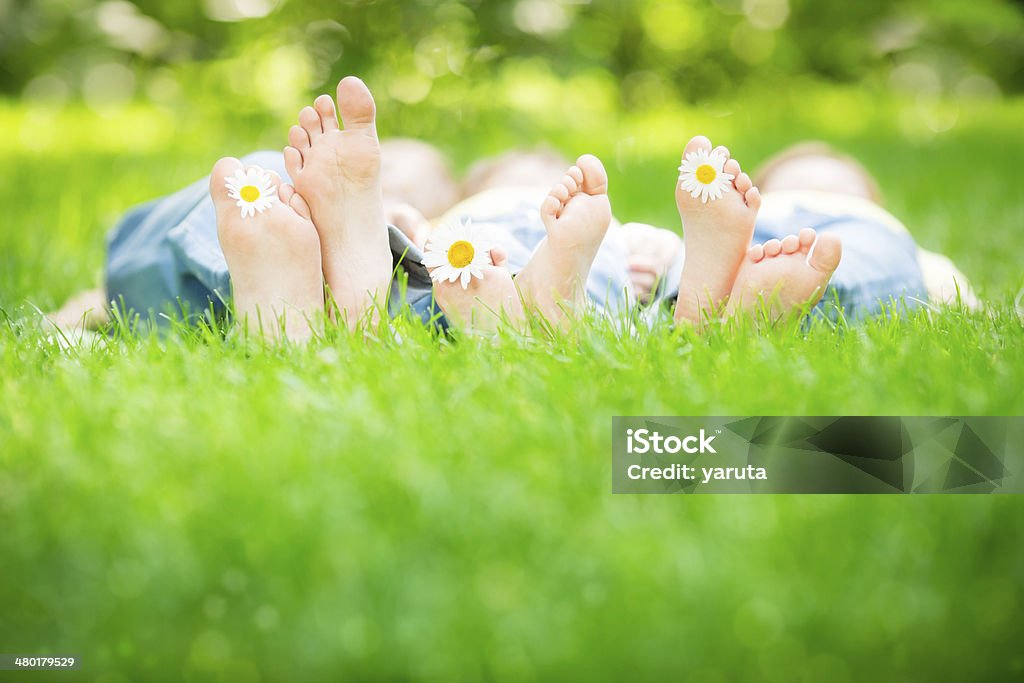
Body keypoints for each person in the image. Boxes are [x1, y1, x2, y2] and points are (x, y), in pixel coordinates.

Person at [48, 76, 972, 340]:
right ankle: (703, 320)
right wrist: (947, 281)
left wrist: (79, 311)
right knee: (841, 218)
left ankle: (345, 280)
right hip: (646, 271)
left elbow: (95, 302)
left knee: (353, 183)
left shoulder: (469, 204)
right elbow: (939, 280)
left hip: (454, 246)